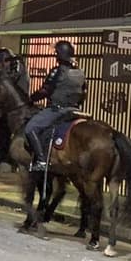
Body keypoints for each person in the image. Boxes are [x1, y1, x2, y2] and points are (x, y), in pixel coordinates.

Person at [22, 41, 86, 171]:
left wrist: (31, 99)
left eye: (56, 53)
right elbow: (84, 93)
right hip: (75, 110)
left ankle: (41, 161)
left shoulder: (57, 72)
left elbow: (46, 91)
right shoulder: (80, 72)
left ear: (60, 55)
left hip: (57, 109)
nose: (55, 55)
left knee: (30, 128)